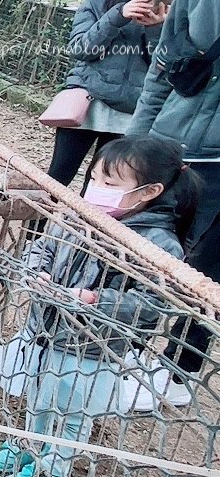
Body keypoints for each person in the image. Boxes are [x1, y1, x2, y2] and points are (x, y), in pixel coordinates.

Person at [0, 136, 202, 477]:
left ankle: (54, 475)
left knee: (72, 415)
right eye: (94, 179)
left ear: (149, 191)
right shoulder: (79, 215)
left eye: (110, 184)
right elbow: (44, 245)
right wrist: (38, 272)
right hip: (46, 331)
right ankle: (28, 448)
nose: (96, 189)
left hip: (91, 348)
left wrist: (95, 299)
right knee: (39, 397)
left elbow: (151, 303)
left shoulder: (159, 246)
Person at [127, 0, 220, 406]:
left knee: (208, 270)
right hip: (173, 148)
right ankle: (125, 349)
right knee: (144, 250)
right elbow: (162, 69)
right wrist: (133, 145)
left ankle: (179, 372)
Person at [46, 0, 168, 190]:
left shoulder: (165, 10)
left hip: (131, 112)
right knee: (58, 176)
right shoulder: (95, 4)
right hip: (88, 104)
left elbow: (163, 65)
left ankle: (81, 221)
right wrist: (118, 15)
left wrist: (156, 28)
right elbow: (80, 49)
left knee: (102, 186)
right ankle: (37, 220)